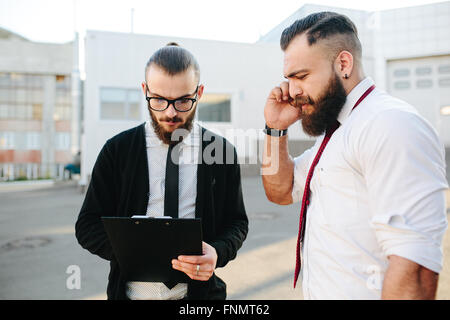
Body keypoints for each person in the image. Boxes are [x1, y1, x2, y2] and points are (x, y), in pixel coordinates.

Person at [262, 12, 448, 299]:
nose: (293, 90)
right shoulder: (337, 129)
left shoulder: (389, 124)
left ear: (343, 64)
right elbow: (282, 191)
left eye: (302, 76)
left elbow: (415, 267)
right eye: (289, 78)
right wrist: (275, 130)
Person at [75, 43, 248, 300]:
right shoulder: (116, 151)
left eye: (182, 101)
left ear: (199, 93)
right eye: (159, 100)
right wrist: (134, 250)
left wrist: (217, 252)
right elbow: (87, 226)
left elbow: (237, 222)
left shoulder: (221, 152)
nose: (170, 112)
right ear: (144, 90)